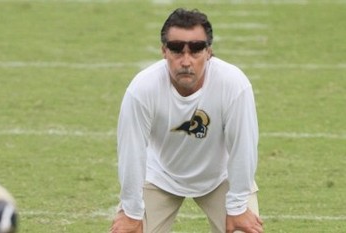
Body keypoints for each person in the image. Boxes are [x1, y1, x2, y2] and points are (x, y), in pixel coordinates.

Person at [111, 8, 263, 233]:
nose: (186, 60)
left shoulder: (234, 85)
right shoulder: (142, 89)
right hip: (160, 175)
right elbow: (131, 153)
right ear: (164, 51)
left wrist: (238, 207)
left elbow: (243, 148)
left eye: (196, 49)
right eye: (176, 49)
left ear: (209, 52)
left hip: (220, 177)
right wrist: (131, 212)